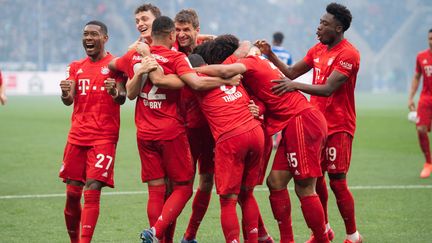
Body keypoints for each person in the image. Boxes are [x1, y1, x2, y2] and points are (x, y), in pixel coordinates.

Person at [196, 37, 329, 243]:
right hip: (293, 123)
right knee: (275, 183)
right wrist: (258, 108)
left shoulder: (250, 62)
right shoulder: (252, 70)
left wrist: (192, 71)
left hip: (302, 120)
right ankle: (288, 240)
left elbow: (226, 68)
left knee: (304, 187)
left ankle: (321, 239)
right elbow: (264, 98)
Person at [256, 3, 362, 243]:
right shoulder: (318, 49)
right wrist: (270, 55)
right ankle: (322, 231)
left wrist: (295, 87)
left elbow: (328, 89)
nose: (318, 28)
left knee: (337, 181)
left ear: (338, 28)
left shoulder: (349, 54)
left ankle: (353, 235)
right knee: (314, 180)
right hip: (314, 125)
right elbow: (291, 73)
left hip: (339, 126)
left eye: (324, 24)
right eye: (319, 22)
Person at [58, 20, 126, 243]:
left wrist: (115, 92)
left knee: (93, 187)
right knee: (71, 194)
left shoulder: (116, 66)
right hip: (77, 136)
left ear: (105, 38)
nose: (88, 38)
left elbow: (122, 97)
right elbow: (68, 101)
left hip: (104, 137)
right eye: (85, 34)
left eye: (93, 34)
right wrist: (65, 93)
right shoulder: (76, 66)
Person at [408, 28, 432, 178]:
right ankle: (428, 163)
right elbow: (417, 76)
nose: (431, 41)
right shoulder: (421, 56)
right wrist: (411, 97)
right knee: (421, 129)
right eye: (430, 38)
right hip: (426, 97)